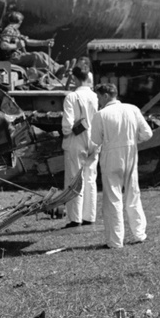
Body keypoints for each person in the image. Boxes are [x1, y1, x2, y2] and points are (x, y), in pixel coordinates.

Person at [89, 82, 152, 248]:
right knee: (133, 193)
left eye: (98, 97)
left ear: (105, 96)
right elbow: (147, 134)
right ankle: (139, 233)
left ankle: (115, 241)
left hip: (111, 155)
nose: (98, 101)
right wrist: (131, 139)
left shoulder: (101, 114)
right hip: (131, 152)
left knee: (113, 198)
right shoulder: (132, 109)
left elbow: (95, 140)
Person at [60, 64, 99, 228]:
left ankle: (75, 218)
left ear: (75, 78)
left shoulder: (71, 97)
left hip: (76, 140)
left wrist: (65, 131)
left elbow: (67, 126)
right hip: (93, 139)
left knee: (74, 178)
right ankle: (89, 215)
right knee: (90, 177)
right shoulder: (95, 96)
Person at [0, 11, 62, 76]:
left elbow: (27, 41)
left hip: (18, 56)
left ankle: (59, 68)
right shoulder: (9, 30)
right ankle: (55, 72)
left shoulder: (15, 31)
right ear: (20, 22)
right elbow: (3, 45)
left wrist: (44, 42)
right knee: (36, 56)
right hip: (12, 58)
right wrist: (17, 45)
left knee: (42, 54)